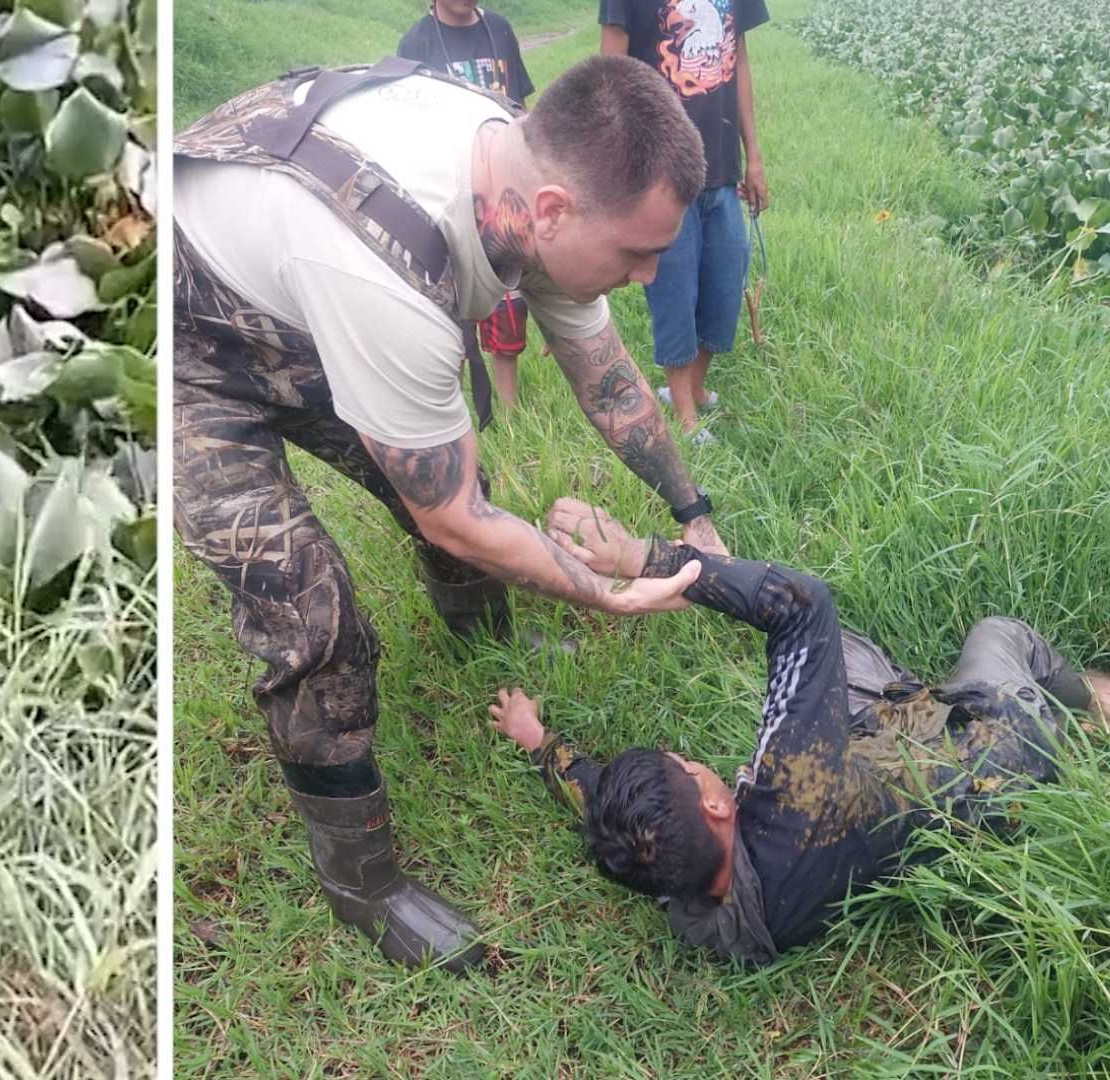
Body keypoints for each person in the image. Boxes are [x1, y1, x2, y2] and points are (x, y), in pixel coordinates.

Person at [173, 54, 730, 976]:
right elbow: (456, 519)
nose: (648, 273)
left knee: (445, 466)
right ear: (552, 213)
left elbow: (609, 379)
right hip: (187, 333)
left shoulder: (528, 178)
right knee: (314, 612)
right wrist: (609, 596)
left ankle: (487, 650)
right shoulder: (391, 271)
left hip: (293, 292)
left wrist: (692, 509)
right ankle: (364, 883)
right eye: (639, 252)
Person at [488, 497, 1110, 966]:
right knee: (998, 634)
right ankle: (1093, 707)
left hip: (869, 793)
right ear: (714, 802)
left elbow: (597, 802)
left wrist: (539, 741)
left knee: (840, 658)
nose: (688, 759)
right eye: (685, 764)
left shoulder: (693, 905)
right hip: (1002, 751)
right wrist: (650, 559)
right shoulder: (792, 793)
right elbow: (804, 604)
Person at [601, 0, 769, 441]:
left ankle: (692, 386)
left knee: (725, 285)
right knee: (674, 292)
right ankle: (686, 415)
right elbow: (609, 77)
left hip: (723, 172)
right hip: (660, 178)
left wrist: (754, 157)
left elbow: (740, 60)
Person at [397, 0, 538, 409]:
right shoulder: (416, 41)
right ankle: (454, 409)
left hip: (502, 196)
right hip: (447, 196)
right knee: (450, 307)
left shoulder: (500, 29)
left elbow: (520, 109)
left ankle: (510, 415)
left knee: (508, 301)